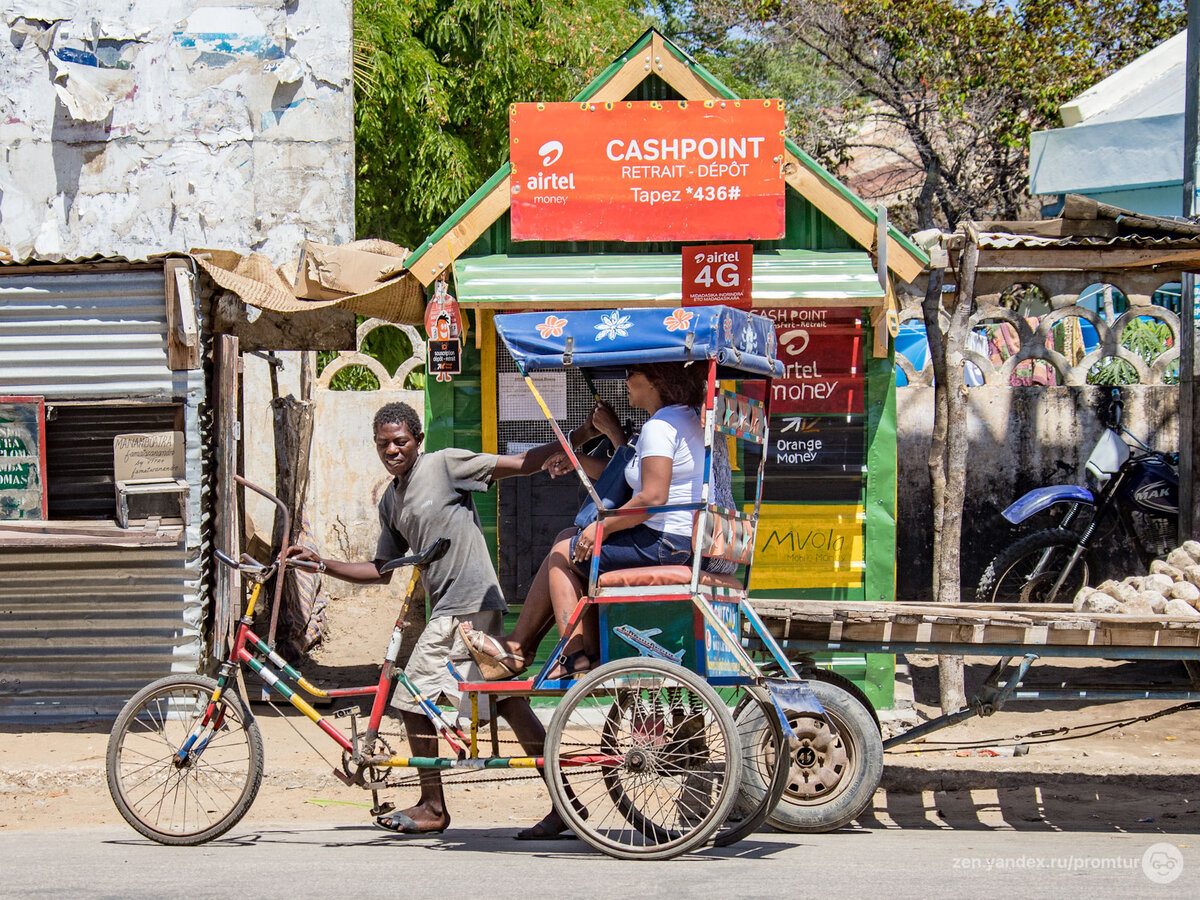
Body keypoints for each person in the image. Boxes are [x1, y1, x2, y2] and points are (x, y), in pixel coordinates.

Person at [294, 401, 567, 838]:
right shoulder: (391, 499)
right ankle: (565, 806)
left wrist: (571, 445)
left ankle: (433, 806)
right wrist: (321, 564)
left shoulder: (444, 465)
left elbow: (518, 464)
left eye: (400, 442)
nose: (392, 451)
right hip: (449, 608)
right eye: (383, 444)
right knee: (508, 702)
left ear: (417, 441)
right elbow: (381, 570)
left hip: (467, 604)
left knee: (410, 700)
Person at [461, 361, 709, 681]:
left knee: (564, 553)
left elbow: (652, 498)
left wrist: (601, 527)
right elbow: (628, 475)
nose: (625, 380)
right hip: (669, 542)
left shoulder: (660, 427)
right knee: (568, 538)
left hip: (661, 544)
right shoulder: (682, 419)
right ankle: (530, 650)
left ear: (655, 380)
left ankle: (572, 655)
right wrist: (577, 460)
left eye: (631, 374)